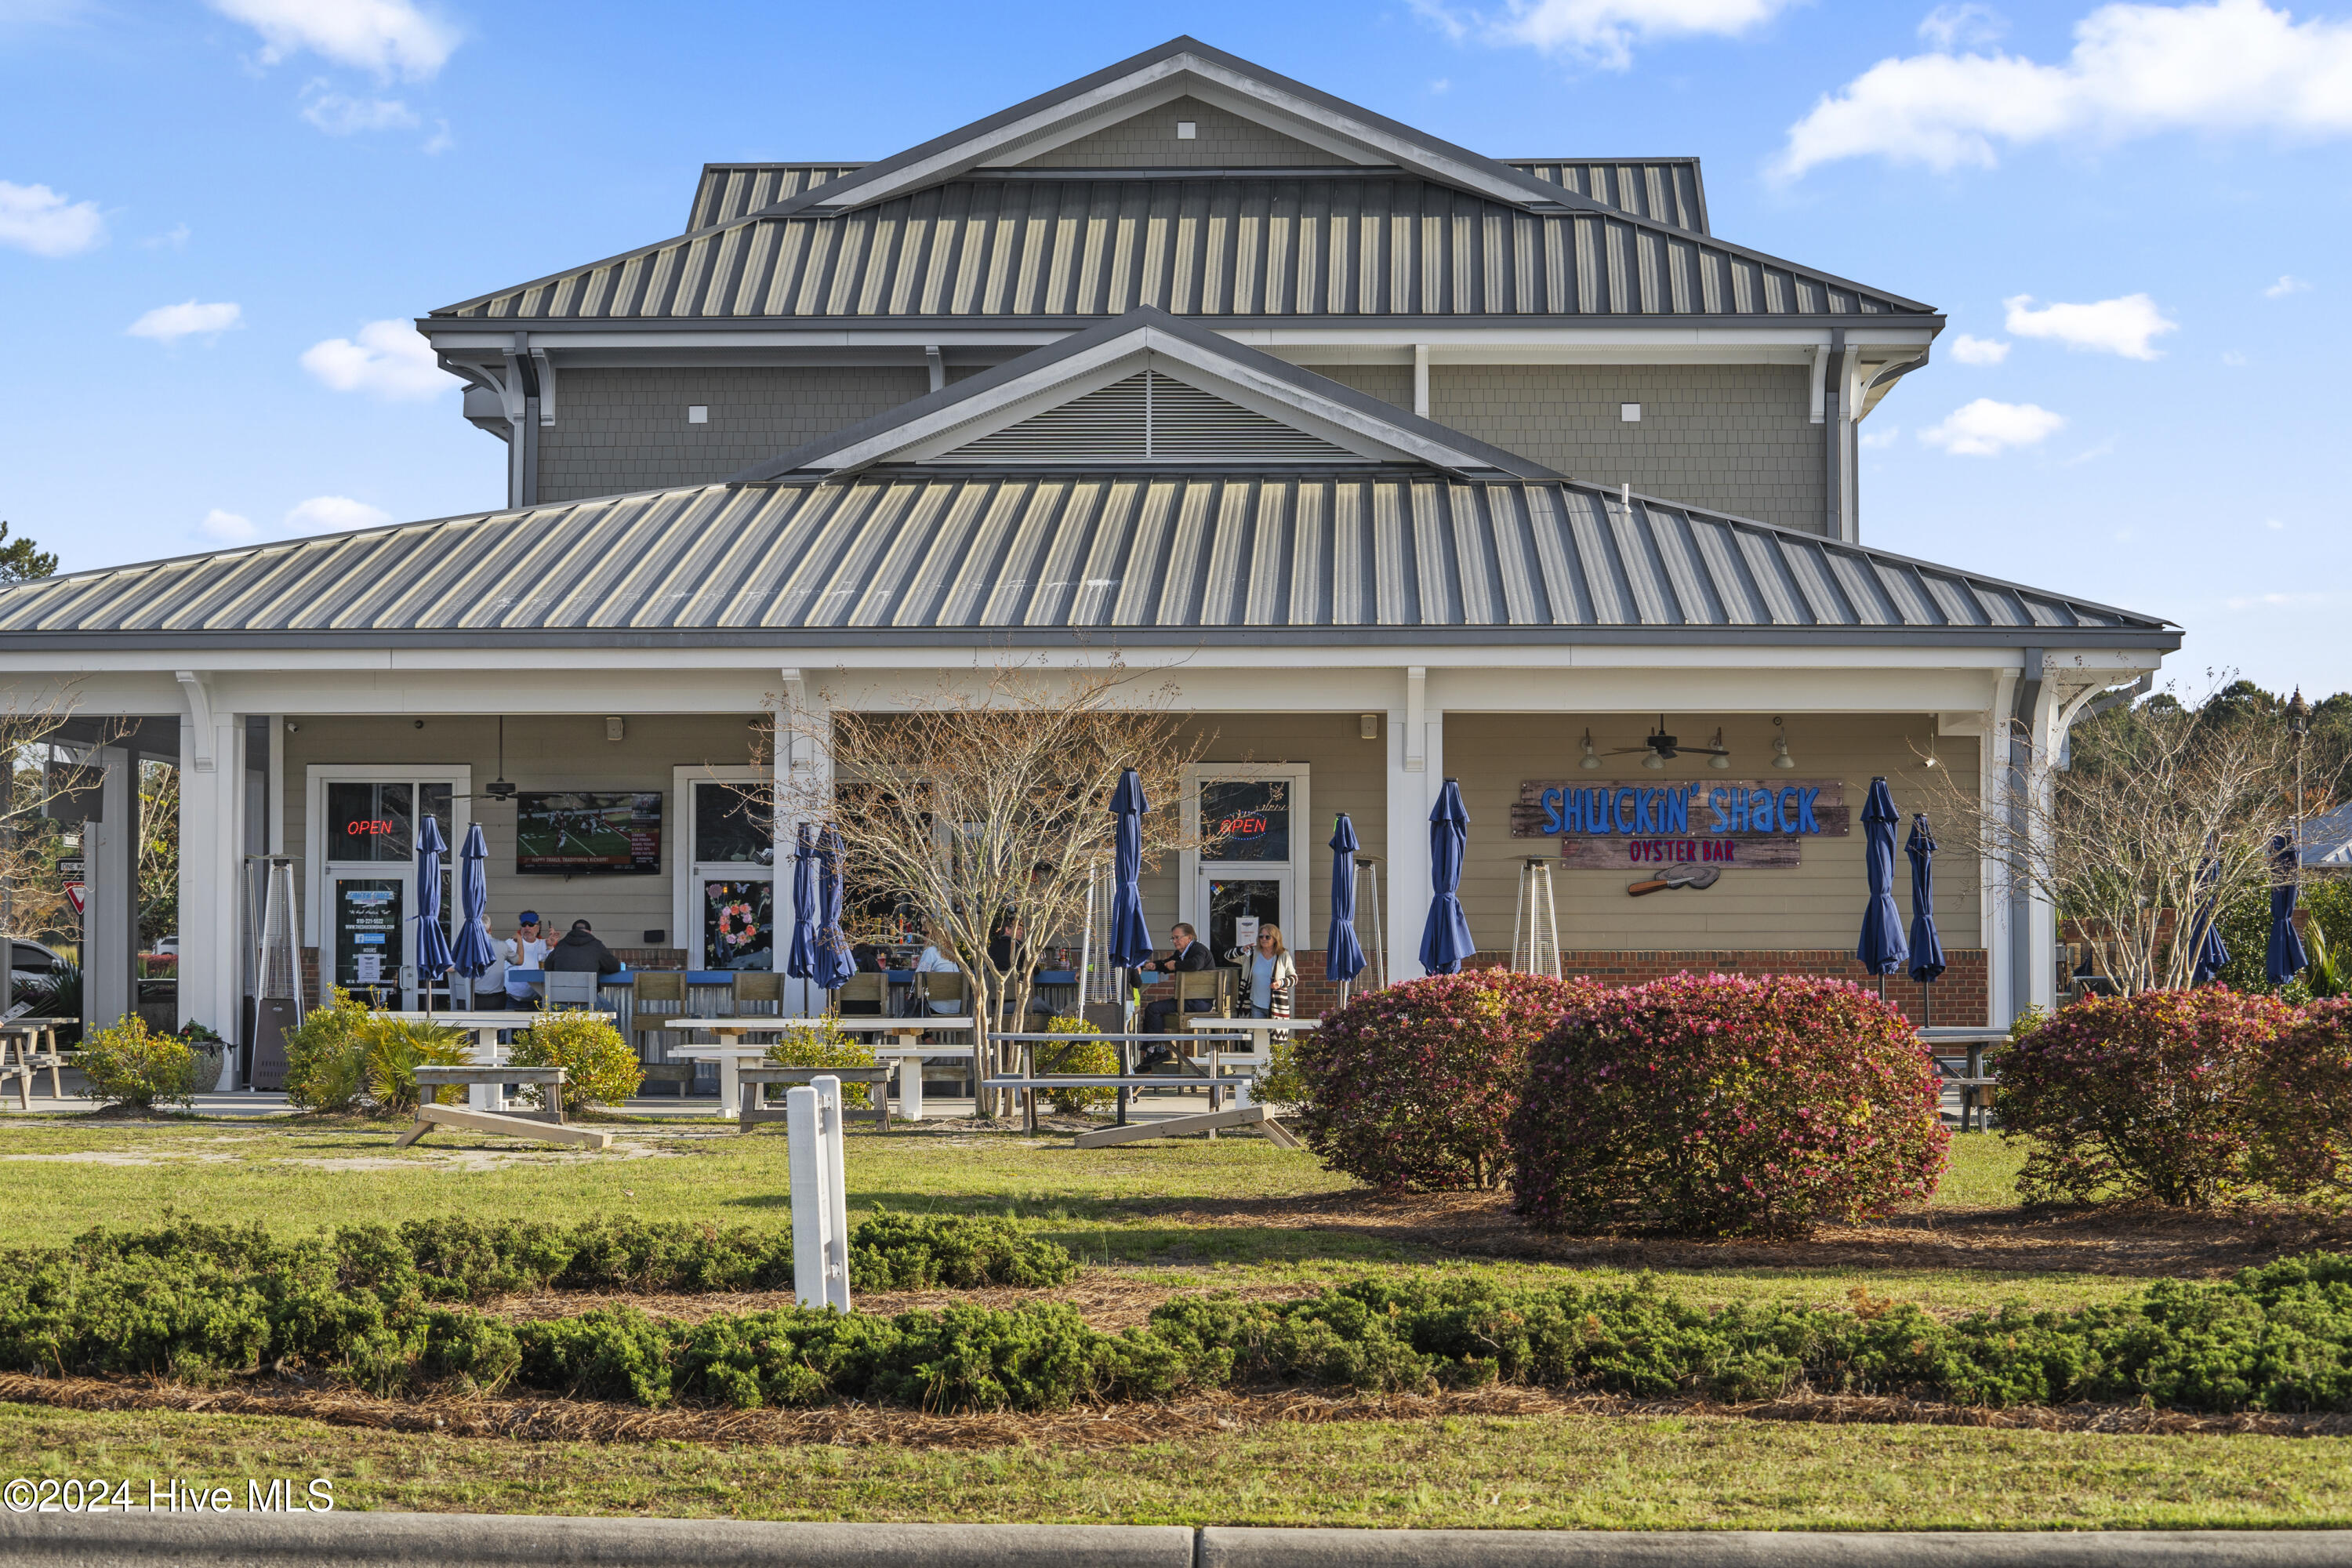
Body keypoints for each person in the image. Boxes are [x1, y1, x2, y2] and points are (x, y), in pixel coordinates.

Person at [1138, 922, 1218, 1063]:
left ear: (1189, 937)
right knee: (1154, 1010)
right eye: (1173, 938)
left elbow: (1195, 964)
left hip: (1200, 1002)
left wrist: (1175, 965)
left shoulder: (1199, 950)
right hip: (1188, 1001)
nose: (1174, 941)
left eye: (1177, 938)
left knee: (1153, 1009)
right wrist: (1155, 965)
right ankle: (1152, 1051)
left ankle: (1157, 1050)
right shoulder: (1182, 953)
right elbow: (1168, 963)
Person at [1225, 924, 1295, 1019]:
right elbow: (1228, 956)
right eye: (1261, 936)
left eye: (1267, 937)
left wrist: (1281, 983)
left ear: (1275, 939)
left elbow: (1294, 978)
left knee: (1275, 1029)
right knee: (1256, 1029)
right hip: (1255, 1004)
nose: (1264, 939)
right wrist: (1241, 950)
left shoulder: (1283, 955)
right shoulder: (1252, 954)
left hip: (1277, 1006)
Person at [501, 912, 551, 1008]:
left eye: (531, 925)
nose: (527, 928)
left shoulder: (545, 944)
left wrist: (551, 947)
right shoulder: (510, 943)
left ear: (538, 927)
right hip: (513, 999)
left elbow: (553, 967)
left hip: (538, 1000)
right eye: (524, 925)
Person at [543, 918, 622, 976]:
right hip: (588, 995)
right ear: (590, 933)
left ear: (572, 931)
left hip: (560, 994)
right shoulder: (596, 946)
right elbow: (614, 967)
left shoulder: (561, 945)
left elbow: (548, 967)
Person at [915, 923, 962, 1014]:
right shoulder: (951, 953)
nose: (922, 937)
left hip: (935, 1009)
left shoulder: (930, 951)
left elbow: (918, 981)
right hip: (955, 1009)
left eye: (925, 933)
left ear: (934, 934)